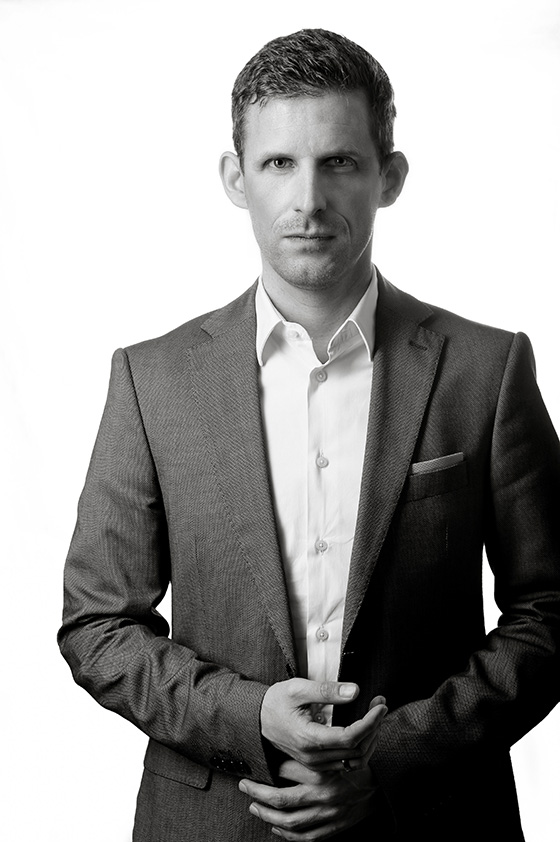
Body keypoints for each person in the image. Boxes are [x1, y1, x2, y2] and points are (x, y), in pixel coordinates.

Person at [58, 28, 560, 842]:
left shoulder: (486, 369)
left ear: (390, 177)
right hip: (213, 822)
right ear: (236, 179)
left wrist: (391, 760)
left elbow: (552, 608)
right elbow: (97, 625)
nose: (308, 200)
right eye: (278, 164)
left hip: (432, 822)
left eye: (340, 162)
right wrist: (248, 714)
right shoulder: (153, 382)